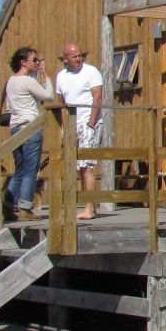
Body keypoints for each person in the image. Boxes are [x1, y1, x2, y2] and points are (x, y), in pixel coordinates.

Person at [56, 42, 105, 221]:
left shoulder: (91, 71)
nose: (78, 58)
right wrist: (64, 127)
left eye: (80, 55)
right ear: (66, 58)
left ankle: (89, 207)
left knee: (87, 166)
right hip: (71, 125)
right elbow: (61, 101)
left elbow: (97, 96)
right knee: (76, 167)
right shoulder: (61, 76)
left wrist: (91, 123)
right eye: (74, 56)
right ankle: (85, 203)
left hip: (88, 122)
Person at [3, 46, 54, 220]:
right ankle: (25, 206)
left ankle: (8, 205)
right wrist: (46, 76)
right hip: (30, 126)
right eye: (34, 60)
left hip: (15, 127)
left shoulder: (11, 81)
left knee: (19, 170)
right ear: (23, 62)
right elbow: (48, 96)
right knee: (31, 170)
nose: (37, 63)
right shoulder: (27, 81)